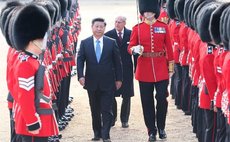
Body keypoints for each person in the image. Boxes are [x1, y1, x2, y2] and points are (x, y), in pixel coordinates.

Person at [5, 3, 59, 142]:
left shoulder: (32, 60)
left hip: (41, 117)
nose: (44, 40)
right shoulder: (26, 64)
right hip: (35, 122)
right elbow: (25, 95)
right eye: (41, 38)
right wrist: (32, 121)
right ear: (32, 40)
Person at [127, 0, 174, 141]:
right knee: (146, 102)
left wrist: (170, 68)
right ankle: (151, 130)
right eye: (145, 11)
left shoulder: (163, 26)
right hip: (144, 69)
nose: (148, 14)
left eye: (150, 11)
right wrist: (134, 49)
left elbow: (170, 49)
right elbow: (130, 47)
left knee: (161, 98)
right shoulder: (137, 28)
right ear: (142, 12)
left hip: (160, 68)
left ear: (155, 11)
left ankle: (161, 127)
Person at [77, 17, 123, 142]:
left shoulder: (111, 42)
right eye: (96, 26)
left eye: (101, 26)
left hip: (108, 81)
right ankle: (97, 133)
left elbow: (118, 63)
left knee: (106, 109)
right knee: (95, 109)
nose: (98, 29)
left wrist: (119, 79)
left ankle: (106, 134)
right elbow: (80, 60)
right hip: (91, 82)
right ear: (92, 27)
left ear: (104, 28)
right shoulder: (85, 43)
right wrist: (80, 76)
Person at [104, 16, 134, 128]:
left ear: (124, 23)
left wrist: (137, 67)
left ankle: (124, 119)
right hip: (113, 69)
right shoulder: (108, 35)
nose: (117, 24)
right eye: (116, 21)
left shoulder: (131, 34)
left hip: (127, 69)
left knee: (127, 95)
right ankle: (113, 117)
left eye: (120, 22)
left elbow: (135, 52)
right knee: (111, 94)